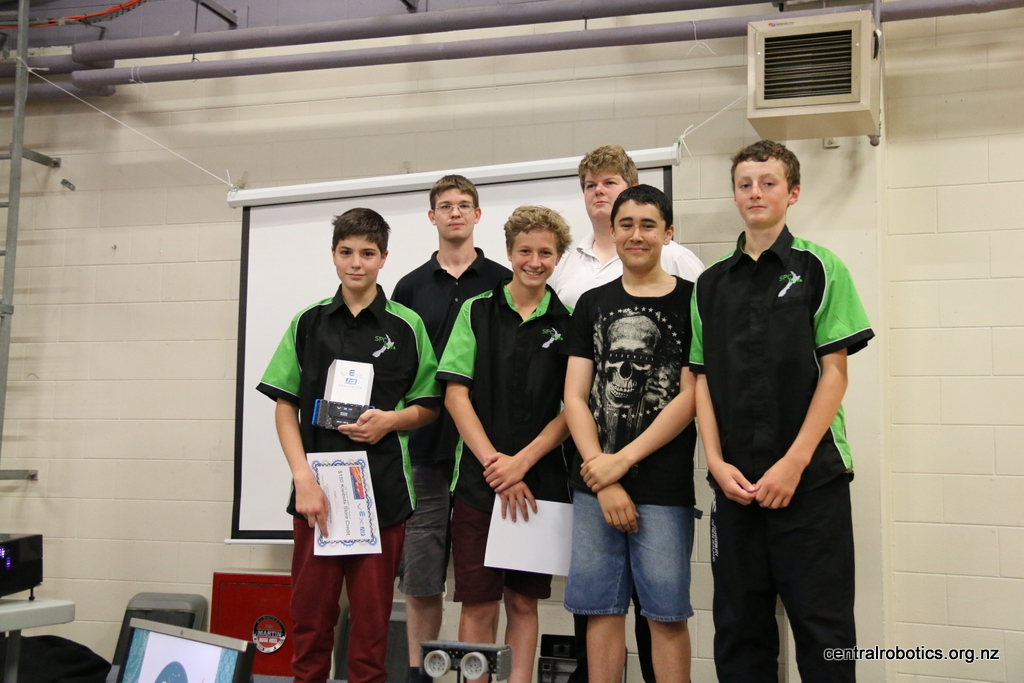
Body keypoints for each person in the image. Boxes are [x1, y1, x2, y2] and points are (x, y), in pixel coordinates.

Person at [689, 140, 874, 682]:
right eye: (745, 184)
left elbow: (835, 374)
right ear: (734, 195)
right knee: (739, 635)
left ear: (792, 193)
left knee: (824, 634)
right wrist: (715, 462)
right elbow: (700, 380)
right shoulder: (710, 284)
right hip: (736, 488)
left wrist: (793, 464)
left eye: (768, 183)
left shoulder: (820, 268)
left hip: (810, 483)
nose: (755, 193)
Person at [258, 208, 441, 683]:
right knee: (311, 623)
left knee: (372, 631)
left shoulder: (407, 326)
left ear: (384, 258)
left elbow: (428, 406)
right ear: (333, 255)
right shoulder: (308, 322)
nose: (356, 263)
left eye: (367, 253)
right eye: (346, 252)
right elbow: (284, 405)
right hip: (316, 495)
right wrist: (303, 479)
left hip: (381, 496)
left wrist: (391, 421)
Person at [549, 144, 702, 683]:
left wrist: (624, 462)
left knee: (665, 614)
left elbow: (689, 396)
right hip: (593, 483)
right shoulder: (592, 303)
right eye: (626, 224)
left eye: (648, 225)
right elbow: (575, 396)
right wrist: (603, 472)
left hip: (662, 485)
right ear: (612, 232)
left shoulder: (694, 301)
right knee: (600, 611)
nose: (636, 234)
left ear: (668, 232)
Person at [437, 205, 574, 683]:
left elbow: (572, 409)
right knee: (477, 603)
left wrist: (523, 463)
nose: (534, 262)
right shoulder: (476, 311)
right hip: (479, 486)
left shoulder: (569, 322)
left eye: (545, 253)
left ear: (558, 257)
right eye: (525, 251)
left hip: (540, 486)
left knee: (523, 603)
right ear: (509, 252)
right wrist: (498, 467)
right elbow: (455, 396)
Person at [391, 175, 512, 683]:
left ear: (478, 214)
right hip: (423, 451)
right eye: (445, 206)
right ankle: (421, 675)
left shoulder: (504, 280)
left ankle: (473, 675)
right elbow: (399, 368)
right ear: (432, 216)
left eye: (464, 205)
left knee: (481, 583)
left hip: (484, 454)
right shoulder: (409, 287)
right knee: (421, 578)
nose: (455, 213)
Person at [548, 143, 703, 309]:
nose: (598, 190)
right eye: (591, 185)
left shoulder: (675, 257)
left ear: (633, 190)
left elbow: (701, 315)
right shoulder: (564, 263)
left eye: (609, 183)